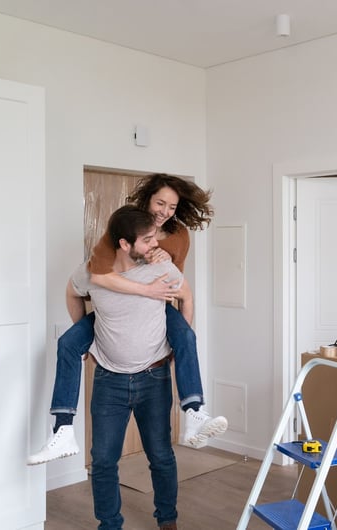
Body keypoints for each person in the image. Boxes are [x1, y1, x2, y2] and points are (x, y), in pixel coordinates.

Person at [28, 174, 226, 466]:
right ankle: (63, 430)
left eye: (172, 206)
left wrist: (175, 338)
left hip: (157, 306)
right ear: (147, 199)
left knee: (186, 337)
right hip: (115, 307)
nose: (165, 211)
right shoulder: (122, 229)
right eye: (160, 202)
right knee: (70, 342)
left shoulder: (179, 235)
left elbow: (179, 288)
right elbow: (96, 276)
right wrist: (143, 289)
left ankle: (194, 413)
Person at [70, 206, 183, 530]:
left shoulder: (162, 268)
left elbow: (186, 297)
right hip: (109, 380)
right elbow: (72, 292)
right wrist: (86, 338)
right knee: (104, 461)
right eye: (147, 239)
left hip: (154, 376)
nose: (155, 244)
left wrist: (180, 341)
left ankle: (168, 521)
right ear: (124, 243)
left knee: (161, 455)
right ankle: (109, 524)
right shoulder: (91, 271)